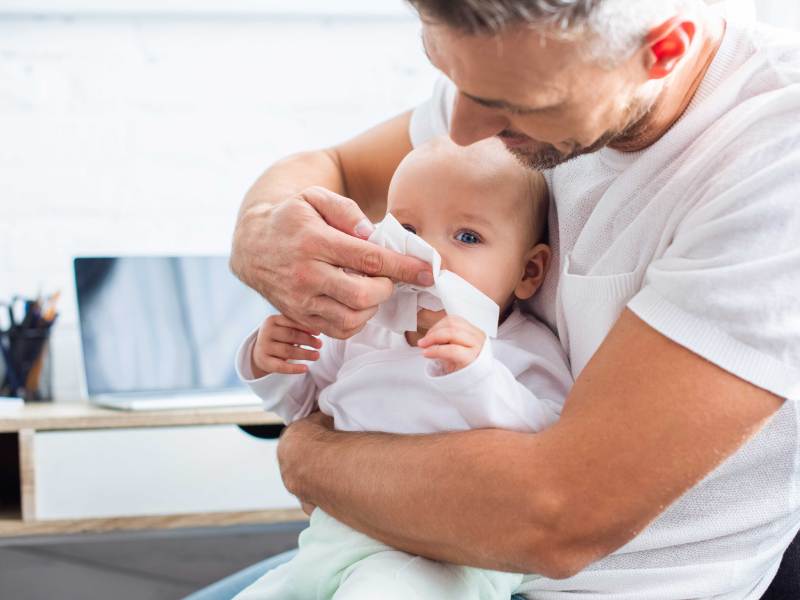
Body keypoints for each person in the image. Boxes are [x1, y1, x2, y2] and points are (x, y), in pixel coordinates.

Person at [230, 0, 800, 597]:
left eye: (519, 106)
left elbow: (555, 518)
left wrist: (307, 458)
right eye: (449, 74)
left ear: (663, 50)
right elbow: (334, 168)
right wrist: (261, 228)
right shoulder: (509, 72)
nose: (463, 129)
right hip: (382, 536)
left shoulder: (771, 163)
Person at [232, 137, 571, 600]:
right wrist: (273, 362)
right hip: (330, 541)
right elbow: (303, 409)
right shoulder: (365, 328)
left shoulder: (519, 349)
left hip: (440, 563)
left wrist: (477, 374)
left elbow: (548, 438)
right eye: (408, 229)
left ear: (529, 271)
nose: (427, 258)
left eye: (467, 237)